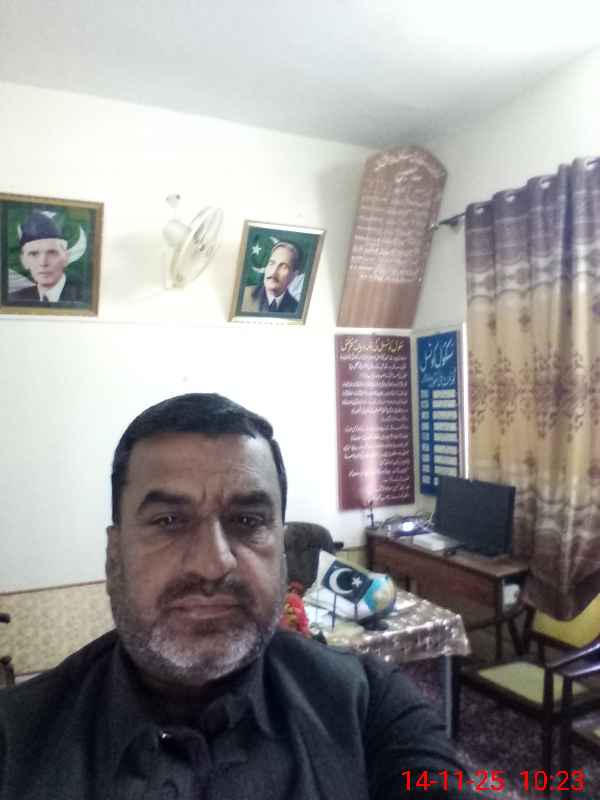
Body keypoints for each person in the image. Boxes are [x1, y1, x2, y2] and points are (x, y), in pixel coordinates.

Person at [0, 393, 474, 799]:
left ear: (282, 551)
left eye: (247, 521)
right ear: (114, 555)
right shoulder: (15, 740)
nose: (212, 564)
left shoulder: (366, 706)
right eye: (169, 521)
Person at [8, 210, 83, 304]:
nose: (43, 263)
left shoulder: (84, 298)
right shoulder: (15, 299)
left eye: (52, 253)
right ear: (24, 261)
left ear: (66, 258)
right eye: (34, 254)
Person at [241, 241, 302, 313]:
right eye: (272, 263)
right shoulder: (243, 296)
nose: (273, 272)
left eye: (283, 267)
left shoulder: (297, 309)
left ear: (294, 275)